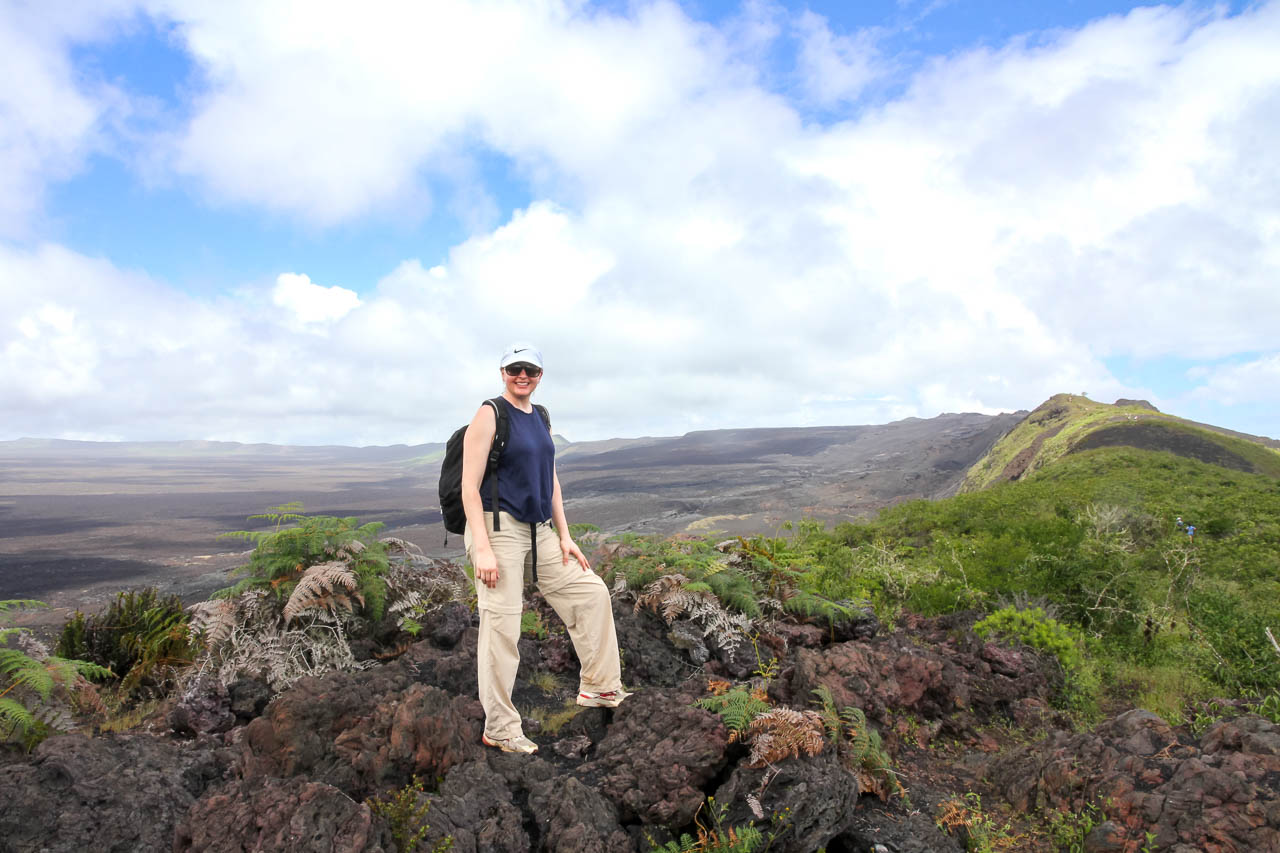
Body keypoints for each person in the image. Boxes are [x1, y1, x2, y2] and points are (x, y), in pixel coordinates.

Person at [460, 343, 627, 754]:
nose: (523, 376)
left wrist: (565, 534)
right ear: (502, 372)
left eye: (530, 370)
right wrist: (482, 547)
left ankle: (601, 688)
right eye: (515, 368)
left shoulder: (541, 417)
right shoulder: (489, 414)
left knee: (590, 592)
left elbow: (549, 479)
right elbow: (468, 485)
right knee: (502, 626)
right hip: (498, 529)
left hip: (541, 531)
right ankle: (499, 727)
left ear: (540, 375)